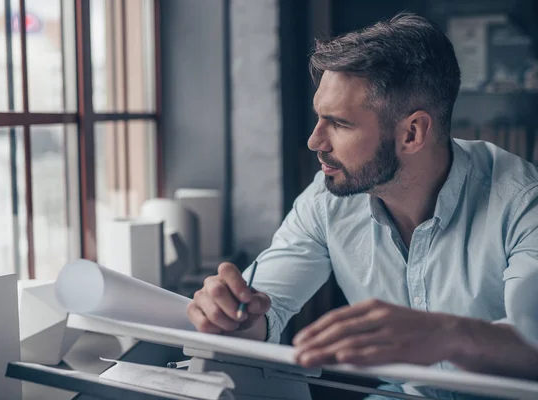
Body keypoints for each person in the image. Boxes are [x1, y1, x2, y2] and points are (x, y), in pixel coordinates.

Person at [186, 12, 538, 381]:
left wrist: (449, 335)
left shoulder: (522, 203)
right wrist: (232, 317)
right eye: (319, 118)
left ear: (412, 133)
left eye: (339, 123)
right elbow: (265, 313)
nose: (315, 141)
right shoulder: (325, 201)